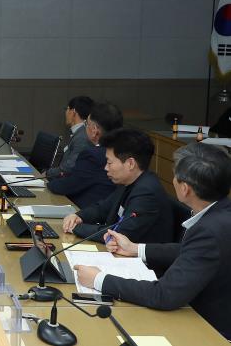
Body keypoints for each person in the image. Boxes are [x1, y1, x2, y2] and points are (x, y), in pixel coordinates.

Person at [74, 143, 231, 340]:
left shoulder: (209, 230)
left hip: (210, 329)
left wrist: (99, 280)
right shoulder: (221, 213)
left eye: (175, 176)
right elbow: (190, 251)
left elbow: (165, 295)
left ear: (184, 189)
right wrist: (135, 249)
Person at [62, 128, 174, 243]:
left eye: (109, 162)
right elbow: (102, 209)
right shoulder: (128, 181)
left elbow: (119, 234)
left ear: (130, 164)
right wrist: (78, 216)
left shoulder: (147, 193)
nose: (106, 168)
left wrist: (76, 228)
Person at [47, 102, 122, 208]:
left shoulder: (93, 156)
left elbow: (68, 186)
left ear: (94, 131)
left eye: (86, 124)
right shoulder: (126, 151)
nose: (84, 127)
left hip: (85, 211)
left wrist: (49, 182)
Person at [46, 96, 94, 179]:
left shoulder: (81, 137)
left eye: (67, 109)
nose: (66, 112)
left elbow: (69, 167)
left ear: (73, 112)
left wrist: (48, 173)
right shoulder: (79, 132)